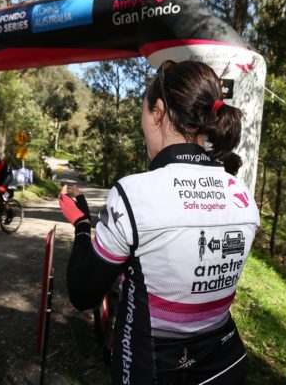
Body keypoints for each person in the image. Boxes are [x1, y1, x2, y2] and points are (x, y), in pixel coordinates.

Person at [58, 60, 260, 384]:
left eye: (143, 112)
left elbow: (82, 294)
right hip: (226, 366)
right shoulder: (243, 195)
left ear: (158, 111)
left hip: (156, 372)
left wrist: (82, 224)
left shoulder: (134, 193)